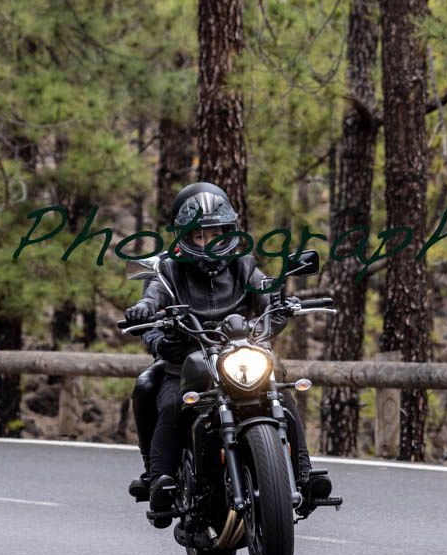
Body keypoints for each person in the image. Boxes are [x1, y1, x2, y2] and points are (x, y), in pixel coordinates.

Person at [124, 182, 330, 526]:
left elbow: (263, 290)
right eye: (199, 235)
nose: (208, 242)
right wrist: (146, 313)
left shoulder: (242, 265)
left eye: (215, 234)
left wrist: (279, 299)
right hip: (187, 358)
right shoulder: (168, 269)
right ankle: (160, 479)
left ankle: (304, 474)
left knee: (280, 389)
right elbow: (153, 297)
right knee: (168, 399)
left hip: (239, 351)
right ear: (185, 237)